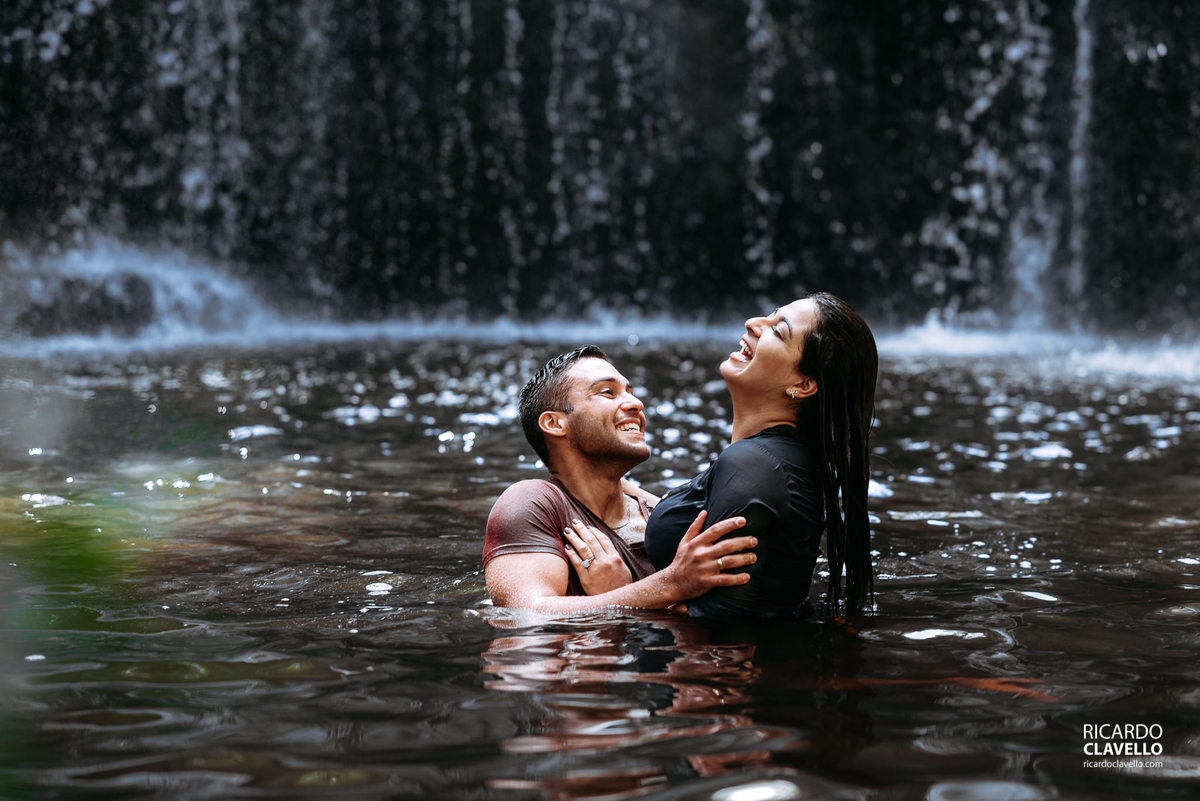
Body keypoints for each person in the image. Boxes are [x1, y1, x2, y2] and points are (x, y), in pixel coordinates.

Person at [639, 292, 878, 619]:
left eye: (778, 331)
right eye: (770, 315)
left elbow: (721, 631)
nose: (753, 323)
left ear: (803, 384)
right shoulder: (783, 459)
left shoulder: (753, 465)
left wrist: (617, 592)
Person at [483, 346, 759, 613]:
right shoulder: (532, 503)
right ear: (555, 423)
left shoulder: (659, 516)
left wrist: (623, 595)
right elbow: (523, 614)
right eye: (607, 392)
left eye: (630, 392)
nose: (636, 404)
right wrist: (671, 585)